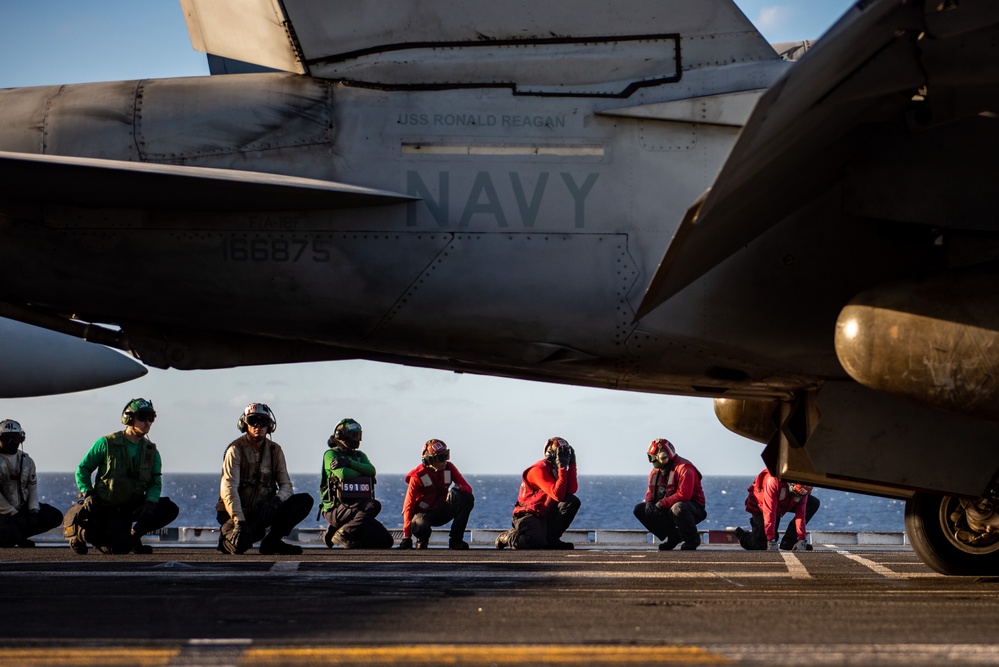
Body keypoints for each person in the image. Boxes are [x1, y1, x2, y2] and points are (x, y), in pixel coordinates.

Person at [65, 398, 179, 555]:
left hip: (132, 506)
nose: (148, 422)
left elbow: (155, 481)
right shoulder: (107, 443)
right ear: (129, 419)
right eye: (143, 417)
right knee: (119, 549)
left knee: (169, 508)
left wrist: (151, 502)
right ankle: (79, 535)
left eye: (151, 418)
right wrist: (88, 494)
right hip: (107, 506)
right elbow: (83, 469)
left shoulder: (151, 451)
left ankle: (135, 535)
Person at [216, 403, 314, 555]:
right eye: (253, 421)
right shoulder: (235, 450)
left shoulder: (275, 450)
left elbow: (286, 486)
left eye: (263, 422)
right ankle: (226, 538)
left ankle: (272, 542)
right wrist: (239, 521)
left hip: (264, 511)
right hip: (239, 515)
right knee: (239, 546)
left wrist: (276, 500)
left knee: (304, 501)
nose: (258, 426)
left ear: (270, 426)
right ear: (244, 424)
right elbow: (228, 489)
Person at [319, 418, 393, 549]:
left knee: (386, 542)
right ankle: (343, 533)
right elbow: (343, 474)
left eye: (359, 436)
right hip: (336, 508)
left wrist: (349, 463)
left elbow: (372, 470)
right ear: (341, 436)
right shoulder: (330, 455)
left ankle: (335, 531)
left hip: (357, 508)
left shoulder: (359, 456)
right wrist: (361, 471)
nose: (357, 440)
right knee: (373, 505)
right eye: (354, 436)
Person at [495, 437, 580, 550]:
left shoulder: (556, 470)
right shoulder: (538, 470)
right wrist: (563, 468)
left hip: (544, 512)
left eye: (566, 452)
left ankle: (551, 540)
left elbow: (571, 490)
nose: (564, 456)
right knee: (534, 542)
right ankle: (507, 537)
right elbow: (557, 494)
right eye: (560, 452)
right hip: (528, 514)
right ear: (550, 453)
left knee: (571, 501)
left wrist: (572, 464)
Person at [399, 439, 475, 550]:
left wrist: (459, 488)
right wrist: (407, 537)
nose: (444, 461)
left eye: (446, 456)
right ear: (429, 460)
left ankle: (456, 540)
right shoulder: (417, 476)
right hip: (424, 515)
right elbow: (408, 505)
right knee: (421, 526)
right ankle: (422, 540)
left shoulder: (449, 468)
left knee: (467, 498)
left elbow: (468, 488)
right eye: (440, 458)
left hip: (442, 510)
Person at [632, 438, 707, 550]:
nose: (652, 461)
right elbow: (650, 491)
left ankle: (692, 539)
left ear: (662, 457)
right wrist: (649, 502)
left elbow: (684, 495)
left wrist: (662, 504)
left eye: (653, 458)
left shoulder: (685, 468)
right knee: (640, 509)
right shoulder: (655, 472)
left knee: (678, 508)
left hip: (692, 509)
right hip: (667, 507)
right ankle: (673, 535)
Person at [0, 419, 63, 547]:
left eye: (15, 438)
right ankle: (15, 536)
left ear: (21, 439)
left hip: (21, 510)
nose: (12, 442)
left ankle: (18, 535)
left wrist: (33, 511)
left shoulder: (27, 461)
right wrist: (12, 512)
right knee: (10, 536)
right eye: (7, 438)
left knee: (54, 516)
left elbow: (32, 488)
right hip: (3, 513)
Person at [735, 468, 820, 551]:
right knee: (761, 545)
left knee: (813, 503)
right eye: (796, 494)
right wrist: (771, 540)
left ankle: (789, 542)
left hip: (782, 503)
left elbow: (801, 514)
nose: (798, 498)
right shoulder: (773, 481)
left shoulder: (802, 489)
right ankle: (741, 534)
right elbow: (769, 512)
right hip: (761, 505)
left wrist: (802, 539)